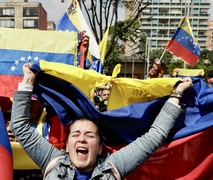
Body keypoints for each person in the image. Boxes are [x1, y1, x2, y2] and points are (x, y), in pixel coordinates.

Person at [10, 62, 193, 179]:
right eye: (76, 134)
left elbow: (154, 136)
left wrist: (177, 94)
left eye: (89, 135)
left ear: (99, 147)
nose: (82, 139)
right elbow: (20, 127)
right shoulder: (52, 161)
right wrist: (28, 80)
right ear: (66, 145)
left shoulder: (113, 167)